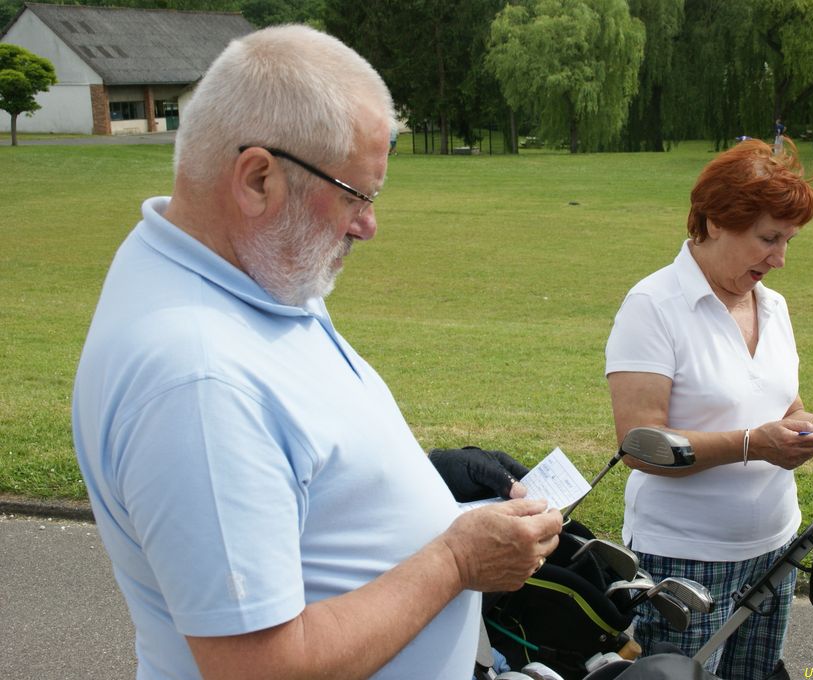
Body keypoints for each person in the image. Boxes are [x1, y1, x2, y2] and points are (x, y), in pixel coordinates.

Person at [72, 25, 562, 680]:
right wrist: (454, 560)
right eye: (356, 195)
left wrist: (427, 480)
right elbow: (261, 668)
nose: (369, 225)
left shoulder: (253, 270)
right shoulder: (199, 379)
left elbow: (287, 453)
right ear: (258, 179)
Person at [604, 139, 813, 680]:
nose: (780, 259)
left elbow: (783, 405)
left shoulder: (772, 306)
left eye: (788, 241)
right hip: (685, 560)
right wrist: (754, 444)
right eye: (768, 238)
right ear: (714, 222)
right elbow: (640, 445)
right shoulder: (653, 306)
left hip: (776, 546)